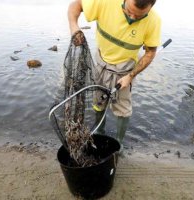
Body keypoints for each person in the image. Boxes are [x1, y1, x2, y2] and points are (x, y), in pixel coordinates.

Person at [68, 0, 161, 144]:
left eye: (139, 16)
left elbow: (150, 53)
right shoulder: (104, 2)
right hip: (101, 66)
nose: (132, 18)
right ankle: (100, 131)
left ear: (151, 7)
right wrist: (74, 27)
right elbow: (76, 5)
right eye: (129, 11)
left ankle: (119, 142)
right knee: (98, 102)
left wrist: (130, 76)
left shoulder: (154, 21)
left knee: (123, 110)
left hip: (125, 71)